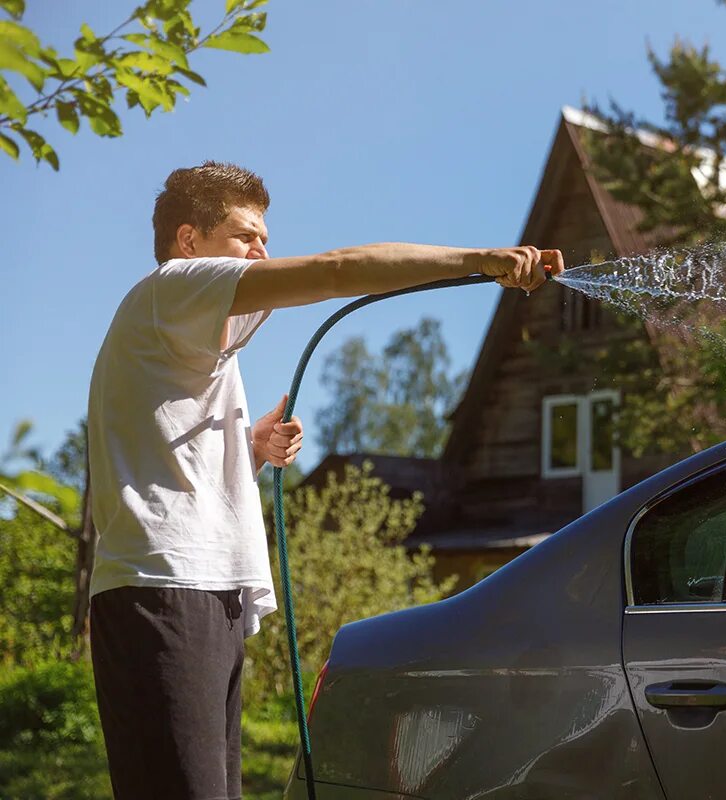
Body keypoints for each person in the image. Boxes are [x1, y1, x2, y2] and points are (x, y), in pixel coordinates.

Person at [86, 161, 564, 799]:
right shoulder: (174, 286)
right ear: (189, 241)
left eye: (264, 236)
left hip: (200, 590)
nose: (262, 250)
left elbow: (163, 459)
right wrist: (477, 260)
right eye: (244, 234)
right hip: (164, 586)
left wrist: (246, 451)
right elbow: (339, 269)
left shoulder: (189, 341)